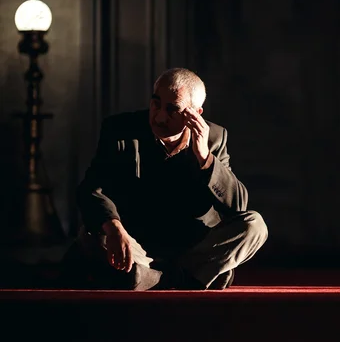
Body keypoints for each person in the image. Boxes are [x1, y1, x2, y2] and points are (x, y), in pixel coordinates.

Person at [61, 68, 268, 290]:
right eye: (156, 104)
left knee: (255, 226)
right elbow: (91, 189)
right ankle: (188, 277)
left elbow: (238, 206)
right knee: (93, 235)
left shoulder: (214, 138)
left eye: (173, 110)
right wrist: (114, 228)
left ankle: (153, 278)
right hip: (136, 243)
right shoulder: (120, 130)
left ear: (195, 113)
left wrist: (205, 159)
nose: (159, 117)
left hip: (192, 246)